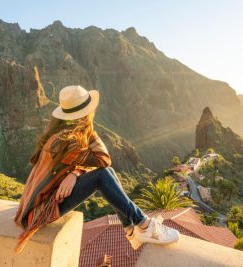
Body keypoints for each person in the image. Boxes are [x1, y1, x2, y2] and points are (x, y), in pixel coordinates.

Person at [13, 85, 179, 254]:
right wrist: (89, 131)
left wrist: (74, 173)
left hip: (39, 202)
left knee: (109, 174)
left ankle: (131, 230)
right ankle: (143, 225)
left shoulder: (62, 132)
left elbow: (99, 162)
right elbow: (104, 160)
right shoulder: (67, 141)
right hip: (40, 210)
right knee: (103, 176)